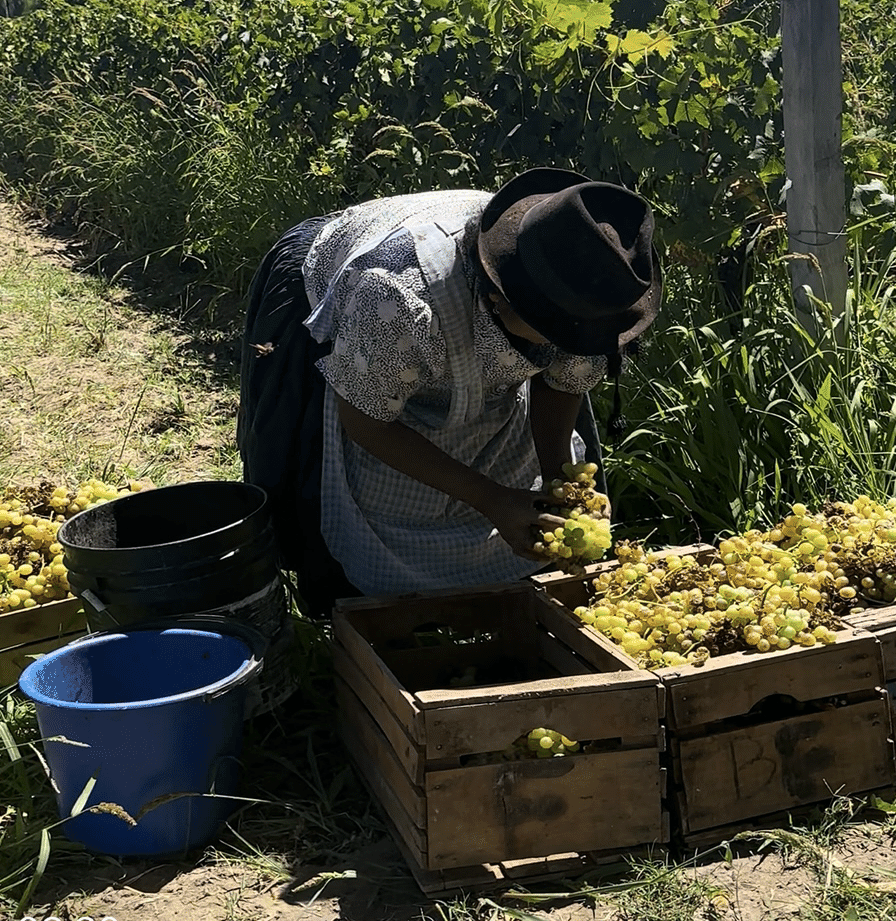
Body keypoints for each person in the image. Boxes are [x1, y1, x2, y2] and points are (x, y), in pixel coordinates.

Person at [236, 168, 661, 617]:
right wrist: (490, 498)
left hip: (438, 322)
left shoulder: (591, 287)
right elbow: (364, 419)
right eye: (555, 331)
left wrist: (560, 481)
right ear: (500, 296)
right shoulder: (397, 298)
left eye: (578, 333)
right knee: (348, 469)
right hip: (351, 283)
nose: (567, 342)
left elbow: (560, 383)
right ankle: (355, 615)